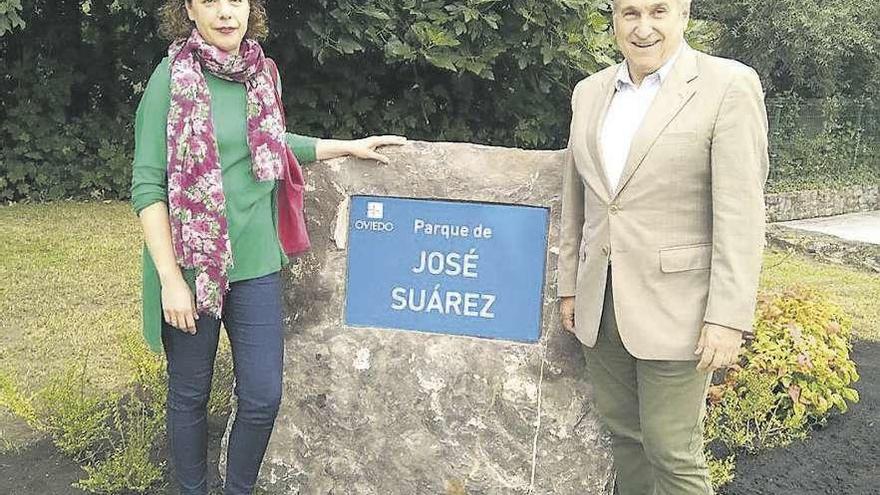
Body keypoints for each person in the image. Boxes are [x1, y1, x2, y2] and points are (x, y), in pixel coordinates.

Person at [130, 1, 404, 493]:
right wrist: (170, 279)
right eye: (209, 1)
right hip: (193, 266)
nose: (224, 12)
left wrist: (344, 146)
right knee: (190, 395)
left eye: (235, 0)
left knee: (262, 395)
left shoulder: (261, 72)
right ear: (189, 11)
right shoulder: (171, 78)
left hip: (255, 261)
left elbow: (272, 144)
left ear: (250, 8)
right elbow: (147, 186)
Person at [557, 0, 768, 493]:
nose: (644, 27)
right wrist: (571, 284)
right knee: (627, 439)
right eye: (630, 13)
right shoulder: (588, 93)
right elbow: (580, 200)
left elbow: (740, 212)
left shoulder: (728, 85)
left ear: (684, 16)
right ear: (613, 19)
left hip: (682, 307)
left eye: (659, 11)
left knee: (673, 451)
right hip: (601, 302)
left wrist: (728, 316)